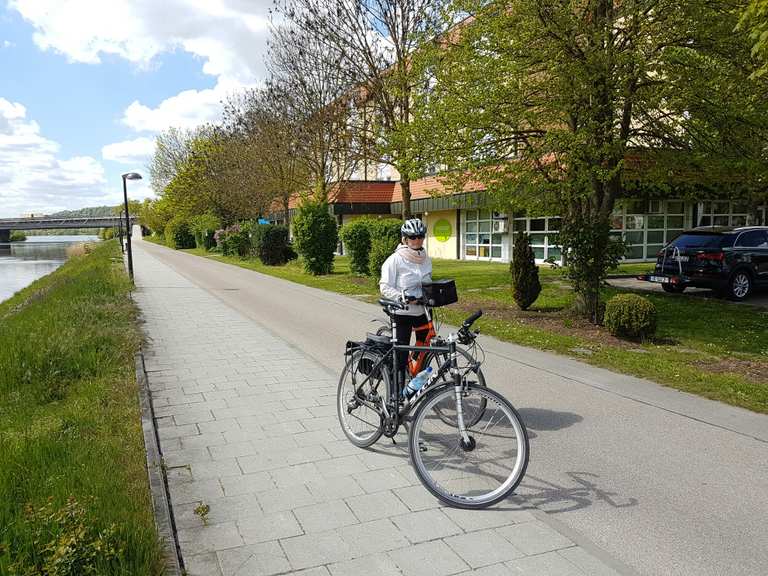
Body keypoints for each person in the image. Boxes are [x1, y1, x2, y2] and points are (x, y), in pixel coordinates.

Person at [379, 218, 433, 385]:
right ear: (405, 239)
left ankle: (417, 380)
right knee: (401, 355)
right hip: (402, 312)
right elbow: (384, 286)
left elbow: (428, 281)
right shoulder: (395, 259)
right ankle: (396, 391)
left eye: (420, 236)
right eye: (413, 237)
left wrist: (434, 293)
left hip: (422, 311)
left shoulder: (425, 258)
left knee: (425, 348)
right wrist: (401, 297)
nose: (417, 240)